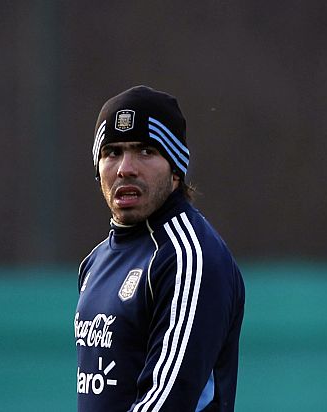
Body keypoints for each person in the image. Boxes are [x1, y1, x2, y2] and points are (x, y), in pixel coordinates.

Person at [75, 85, 245, 412]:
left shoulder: (188, 256)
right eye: (112, 152)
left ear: (176, 171)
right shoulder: (95, 262)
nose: (126, 167)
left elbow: (167, 401)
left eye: (145, 151)